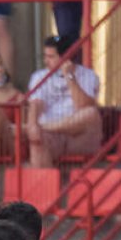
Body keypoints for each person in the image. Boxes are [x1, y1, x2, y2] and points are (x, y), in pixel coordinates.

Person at [26, 35, 101, 167]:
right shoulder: (39, 76)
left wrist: (69, 76)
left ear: (67, 57)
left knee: (90, 113)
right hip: (51, 136)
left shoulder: (89, 75)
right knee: (37, 140)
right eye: (45, 56)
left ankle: (44, 127)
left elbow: (82, 106)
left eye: (51, 57)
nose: (46, 61)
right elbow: (36, 104)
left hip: (78, 136)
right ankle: (45, 186)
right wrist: (32, 126)